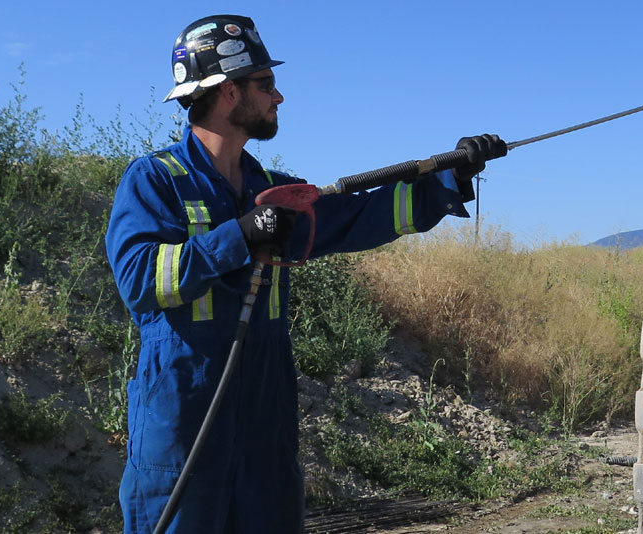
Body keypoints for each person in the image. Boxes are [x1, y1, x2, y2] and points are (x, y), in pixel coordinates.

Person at [103, 14, 504, 533]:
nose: (279, 97)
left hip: (265, 422)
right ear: (227, 92)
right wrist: (239, 236)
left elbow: (360, 216)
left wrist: (450, 175)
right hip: (182, 416)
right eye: (266, 84)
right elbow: (139, 280)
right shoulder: (155, 181)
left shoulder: (275, 190)